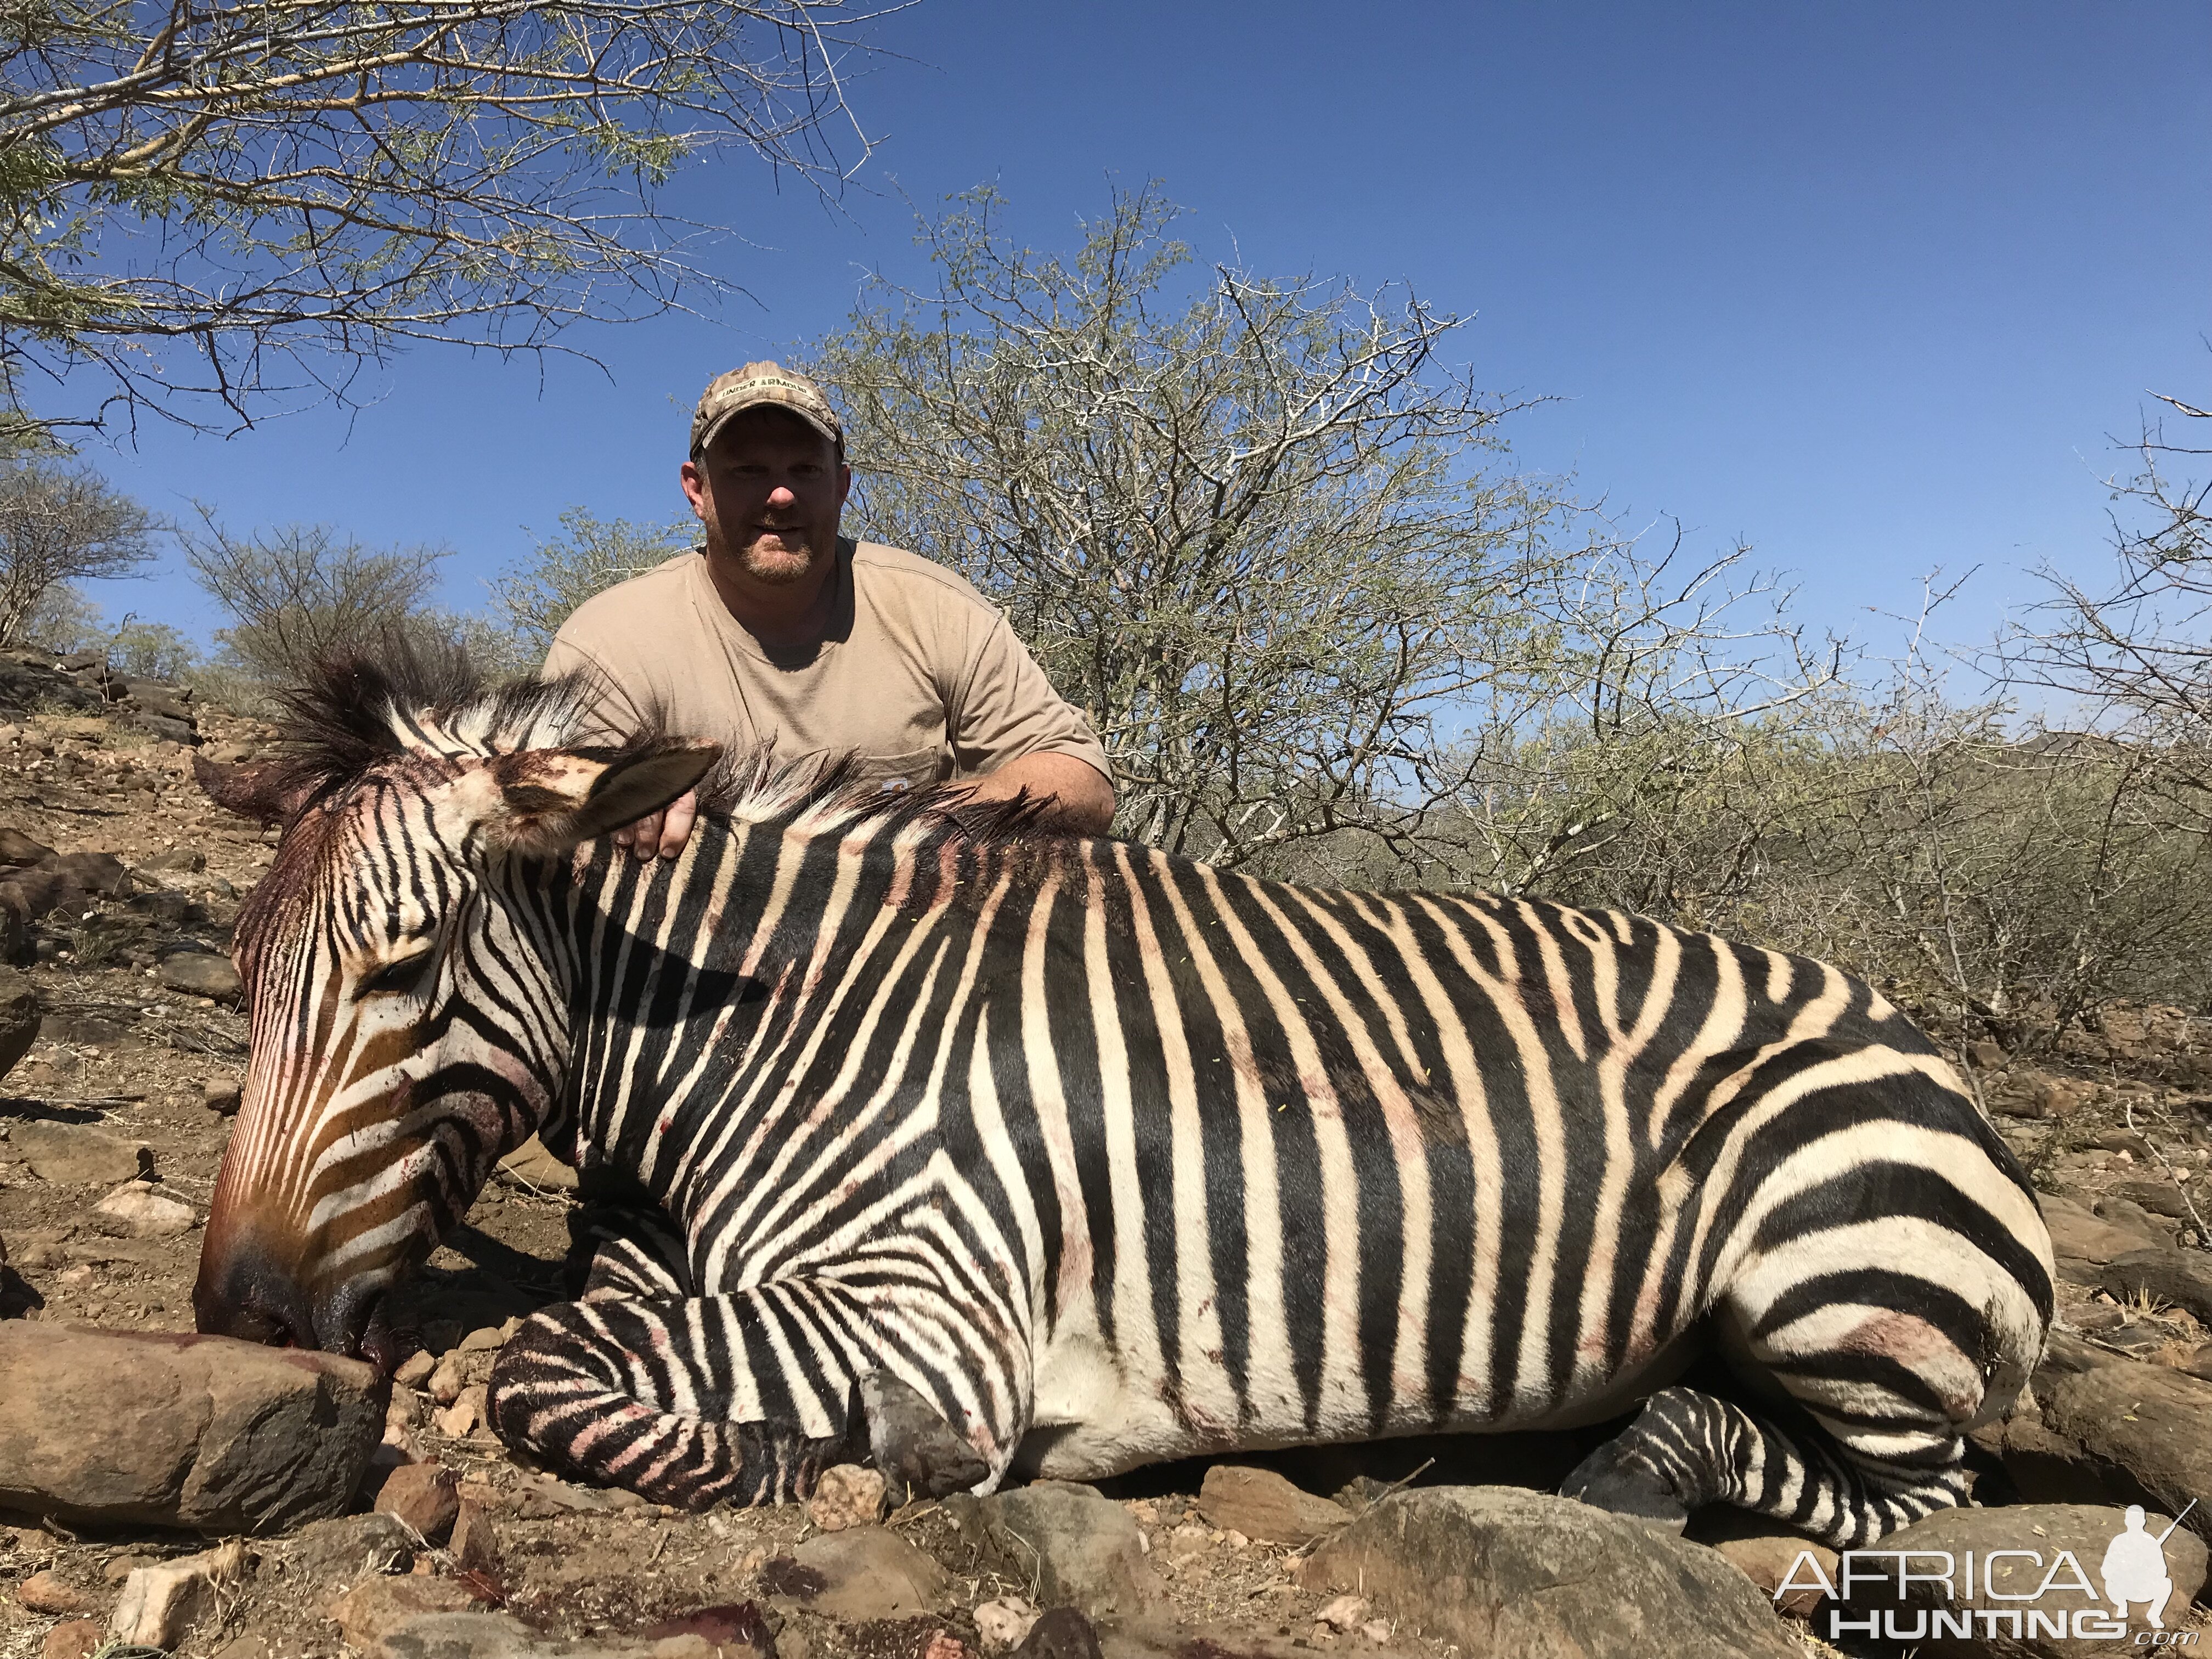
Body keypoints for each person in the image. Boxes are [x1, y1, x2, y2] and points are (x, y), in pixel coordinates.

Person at [544, 362, 1116, 856]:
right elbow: (544, 806)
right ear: (697, 490)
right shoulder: (609, 641)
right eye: (749, 471)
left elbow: (1081, 781)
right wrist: (628, 797)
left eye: (805, 471)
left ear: (841, 486)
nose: (782, 495)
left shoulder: (936, 609)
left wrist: (915, 821)